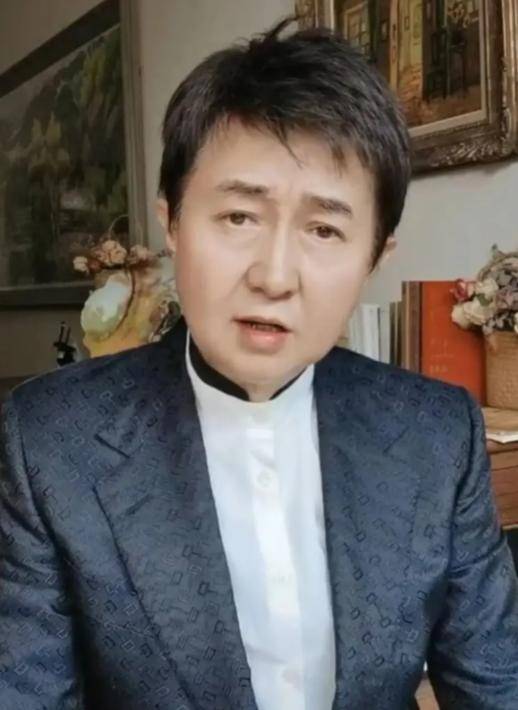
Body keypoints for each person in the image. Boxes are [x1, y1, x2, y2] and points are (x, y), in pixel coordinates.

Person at [1, 16, 517, 710]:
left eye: (324, 229)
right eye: (239, 217)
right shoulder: (50, 440)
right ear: (172, 221)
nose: (275, 276)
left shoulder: (436, 433)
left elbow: (497, 682)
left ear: (375, 255)